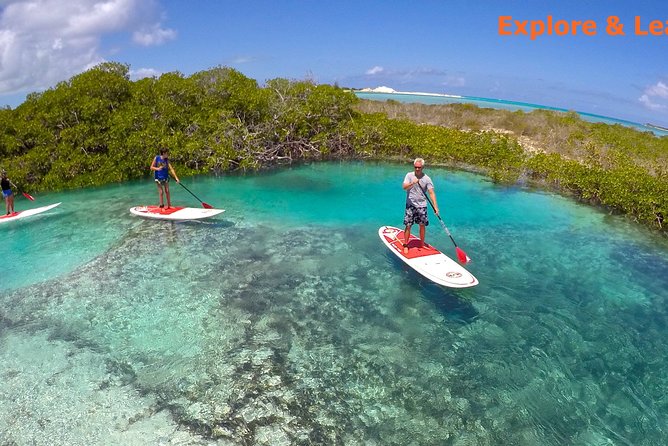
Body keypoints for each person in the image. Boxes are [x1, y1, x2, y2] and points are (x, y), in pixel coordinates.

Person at [401, 158, 440, 254]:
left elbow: (431, 193)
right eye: (415, 167)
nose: (417, 169)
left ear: (422, 167)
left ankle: (422, 244)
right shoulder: (409, 175)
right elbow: (404, 187)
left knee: (422, 225)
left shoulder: (427, 179)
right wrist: (412, 183)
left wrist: (435, 207)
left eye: (419, 167)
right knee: (408, 225)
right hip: (410, 204)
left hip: (422, 206)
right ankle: (405, 244)